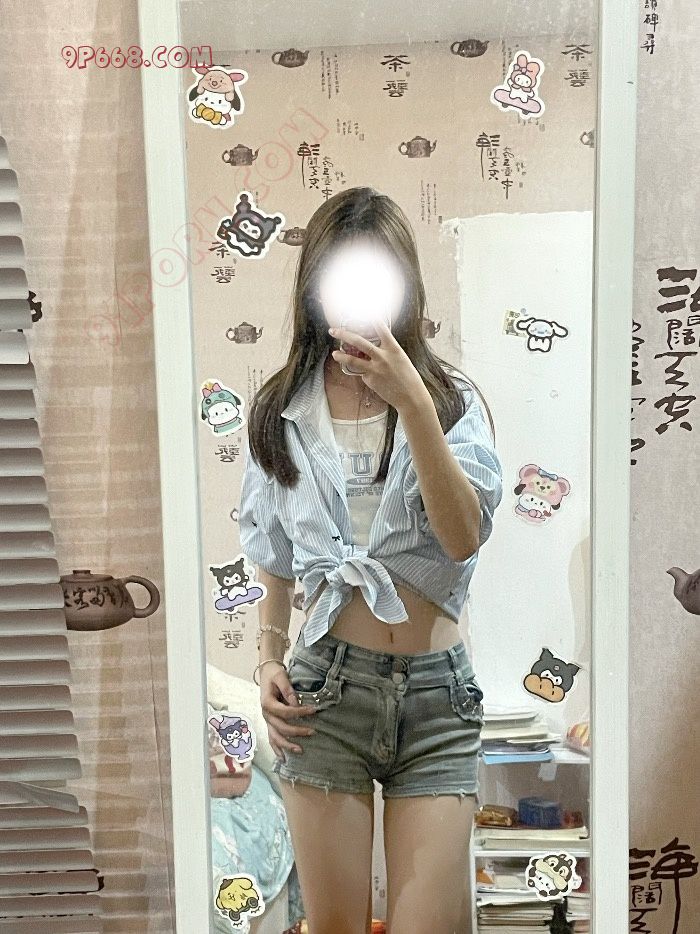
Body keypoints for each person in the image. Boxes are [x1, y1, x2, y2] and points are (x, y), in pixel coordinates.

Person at [239, 187, 503, 934]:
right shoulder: (281, 410)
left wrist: (412, 401)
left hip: (437, 700)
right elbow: (273, 554)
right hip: (325, 692)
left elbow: (463, 535)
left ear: (404, 286)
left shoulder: (450, 403)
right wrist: (267, 658)